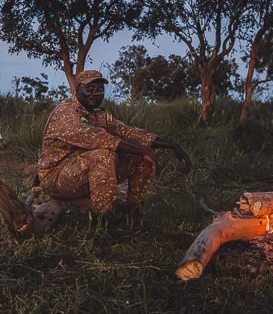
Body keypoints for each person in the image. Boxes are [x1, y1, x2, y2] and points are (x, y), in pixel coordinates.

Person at [36, 70, 191, 218]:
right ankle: (105, 217)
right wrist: (144, 151)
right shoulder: (66, 111)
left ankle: (132, 212)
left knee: (139, 159)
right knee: (104, 154)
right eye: (89, 88)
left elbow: (128, 132)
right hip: (56, 179)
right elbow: (98, 138)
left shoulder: (100, 115)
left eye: (99, 89)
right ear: (77, 89)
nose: (95, 93)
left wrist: (172, 145)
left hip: (81, 173)